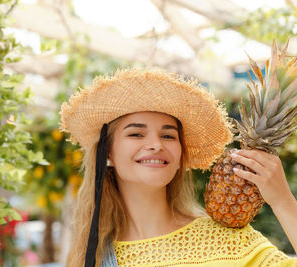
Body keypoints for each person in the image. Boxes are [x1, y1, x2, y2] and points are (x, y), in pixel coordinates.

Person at [59, 68, 297, 267]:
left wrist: (283, 202)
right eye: (136, 133)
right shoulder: (90, 256)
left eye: (169, 136)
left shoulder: (228, 243)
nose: (155, 144)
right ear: (107, 152)